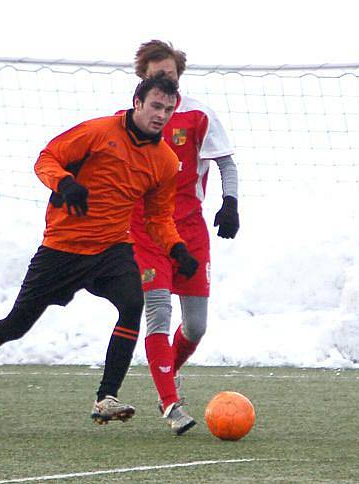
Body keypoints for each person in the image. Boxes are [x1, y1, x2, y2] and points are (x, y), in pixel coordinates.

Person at [0, 73, 199, 426]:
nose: (162, 115)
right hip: (62, 248)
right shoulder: (97, 132)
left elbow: (157, 217)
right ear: (137, 102)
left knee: (133, 303)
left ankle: (106, 397)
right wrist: (66, 182)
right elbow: (46, 159)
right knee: (16, 325)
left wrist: (177, 248)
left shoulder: (165, 161)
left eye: (168, 109)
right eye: (155, 106)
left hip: (111, 247)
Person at [130, 41, 240, 434]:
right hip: (145, 231)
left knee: (196, 327)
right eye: (158, 76)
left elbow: (226, 163)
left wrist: (230, 203)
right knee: (158, 312)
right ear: (143, 77)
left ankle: (167, 370)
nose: (166, 83)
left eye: (172, 77)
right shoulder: (125, 122)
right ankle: (170, 404)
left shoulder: (198, 114)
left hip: (190, 231)